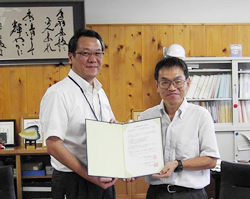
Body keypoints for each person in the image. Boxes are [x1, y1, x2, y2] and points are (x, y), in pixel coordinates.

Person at [39, 28, 117, 199]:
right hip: (74, 181)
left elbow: (111, 129)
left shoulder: (99, 91)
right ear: (71, 57)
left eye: (98, 53)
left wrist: (120, 163)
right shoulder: (58, 93)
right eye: (85, 53)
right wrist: (89, 175)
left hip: (103, 178)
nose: (93, 59)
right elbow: (53, 146)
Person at [139, 56, 220, 199]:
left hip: (191, 194)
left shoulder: (201, 116)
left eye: (178, 82)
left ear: (187, 83)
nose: (172, 88)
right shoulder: (146, 117)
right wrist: (128, 170)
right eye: (165, 82)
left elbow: (211, 160)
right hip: (157, 193)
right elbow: (138, 156)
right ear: (157, 85)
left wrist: (178, 164)